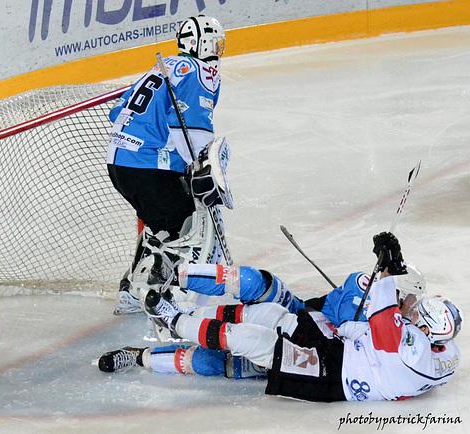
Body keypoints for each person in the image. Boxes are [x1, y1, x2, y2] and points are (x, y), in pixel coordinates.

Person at [99, 232, 462, 402]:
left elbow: (376, 332)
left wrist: (382, 282)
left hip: (326, 360)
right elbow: (336, 313)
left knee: (223, 361)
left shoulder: (397, 328)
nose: (412, 305)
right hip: (308, 319)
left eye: (416, 305)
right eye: (412, 299)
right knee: (260, 288)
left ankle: (147, 350)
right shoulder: (369, 291)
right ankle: (176, 284)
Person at [107, 15, 227, 315]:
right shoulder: (201, 72)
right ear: (202, 43)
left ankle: (131, 291)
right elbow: (194, 129)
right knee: (185, 226)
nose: (218, 50)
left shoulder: (164, 67)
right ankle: (153, 294)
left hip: (120, 164)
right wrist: (200, 166)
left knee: (159, 224)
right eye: (215, 43)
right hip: (150, 166)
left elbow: (116, 112)